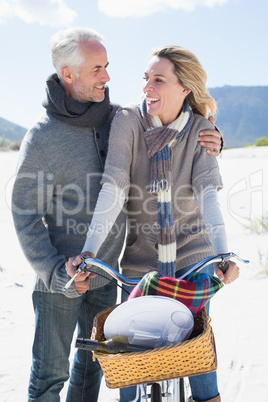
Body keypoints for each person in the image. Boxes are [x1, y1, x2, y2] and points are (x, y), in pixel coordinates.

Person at [11, 26, 222, 402]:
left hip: (109, 273)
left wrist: (211, 133)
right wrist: (57, 270)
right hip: (61, 275)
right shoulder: (43, 138)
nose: (108, 77)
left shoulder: (114, 118)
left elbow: (173, 125)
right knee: (50, 375)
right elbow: (25, 213)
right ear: (68, 74)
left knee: (93, 369)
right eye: (97, 69)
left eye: (107, 66)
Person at [66, 45, 239, 402]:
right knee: (129, 350)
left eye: (158, 80)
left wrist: (224, 256)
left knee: (197, 347)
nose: (147, 88)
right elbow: (113, 189)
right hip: (141, 259)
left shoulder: (201, 131)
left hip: (194, 254)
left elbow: (208, 198)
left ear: (184, 88)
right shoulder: (128, 121)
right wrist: (88, 252)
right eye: (146, 78)